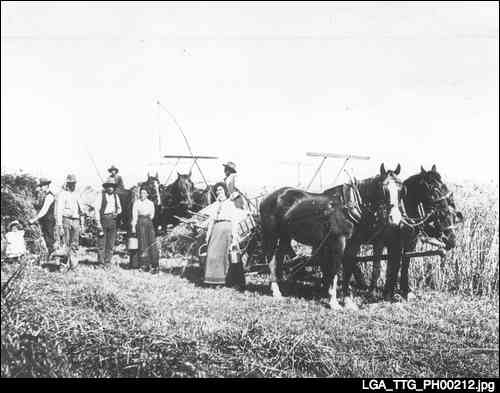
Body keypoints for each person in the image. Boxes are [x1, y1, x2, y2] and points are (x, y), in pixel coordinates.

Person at [204, 182, 245, 290]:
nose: (219, 192)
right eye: (217, 190)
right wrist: (208, 235)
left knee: (223, 257)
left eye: (221, 190)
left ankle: (222, 281)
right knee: (212, 255)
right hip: (216, 230)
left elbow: (234, 220)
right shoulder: (215, 205)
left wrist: (235, 236)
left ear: (225, 191)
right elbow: (211, 221)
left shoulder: (230, 204)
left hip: (227, 230)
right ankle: (212, 279)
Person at [55, 174, 84, 270]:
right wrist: (59, 225)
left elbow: (82, 210)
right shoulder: (62, 194)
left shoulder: (77, 194)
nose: (72, 185)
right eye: (70, 183)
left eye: (73, 183)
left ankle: (73, 264)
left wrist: (82, 224)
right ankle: (63, 265)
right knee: (65, 243)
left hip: (76, 220)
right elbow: (59, 210)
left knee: (75, 244)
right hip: (66, 219)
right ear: (67, 183)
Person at [94, 177, 122, 269]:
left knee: (110, 243)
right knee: (101, 243)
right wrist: (98, 223)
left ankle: (108, 262)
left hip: (113, 221)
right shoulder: (101, 195)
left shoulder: (115, 196)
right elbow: (96, 209)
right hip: (103, 220)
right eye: (109, 186)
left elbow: (119, 208)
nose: (110, 188)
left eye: (112, 186)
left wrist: (117, 213)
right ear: (106, 187)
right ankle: (101, 263)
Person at [131, 187, 159, 274]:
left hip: (148, 222)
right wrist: (133, 226)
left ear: (147, 194)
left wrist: (147, 221)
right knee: (142, 242)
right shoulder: (136, 203)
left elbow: (152, 215)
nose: (142, 195)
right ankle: (143, 264)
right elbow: (134, 215)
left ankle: (153, 264)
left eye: (144, 193)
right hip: (140, 222)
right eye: (141, 193)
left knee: (151, 242)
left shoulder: (150, 203)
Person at [29, 177, 56, 256]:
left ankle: (53, 256)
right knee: (46, 238)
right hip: (44, 220)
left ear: (47, 185)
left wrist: (34, 219)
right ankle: (49, 255)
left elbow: (44, 211)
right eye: (40, 186)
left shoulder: (49, 196)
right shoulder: (44, 195)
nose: (40, 188)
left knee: (49, 239)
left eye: (42, 186)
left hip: (49, 220)